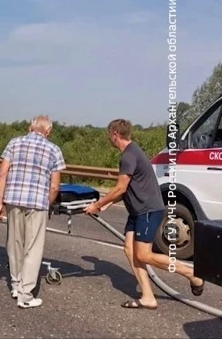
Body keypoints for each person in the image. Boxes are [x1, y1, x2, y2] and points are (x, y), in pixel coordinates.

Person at [84, 119, 204, 309]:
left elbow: (121, 187)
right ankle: (148, 297)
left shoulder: (128, 156)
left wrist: (98, 204)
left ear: (115, 134)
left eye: (109, 135)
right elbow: (131, 188)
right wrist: (108, 204)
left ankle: (191, 274)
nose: (109, 139)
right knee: (130, 250)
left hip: (147, 210)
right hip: (138, 210)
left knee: (144, 255)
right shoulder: (132, 152)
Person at [0, 115, 65, 309]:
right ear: (48, 132)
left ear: (29, 127)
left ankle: (16, 285)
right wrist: (48, 204)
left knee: (15, 243)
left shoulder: (14, 143)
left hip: (13, 200)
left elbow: (2, 173)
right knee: (32, 249)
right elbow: (54, 186)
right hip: (36, 202)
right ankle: (25, 295)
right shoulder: (54, 149)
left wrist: (0, 202)